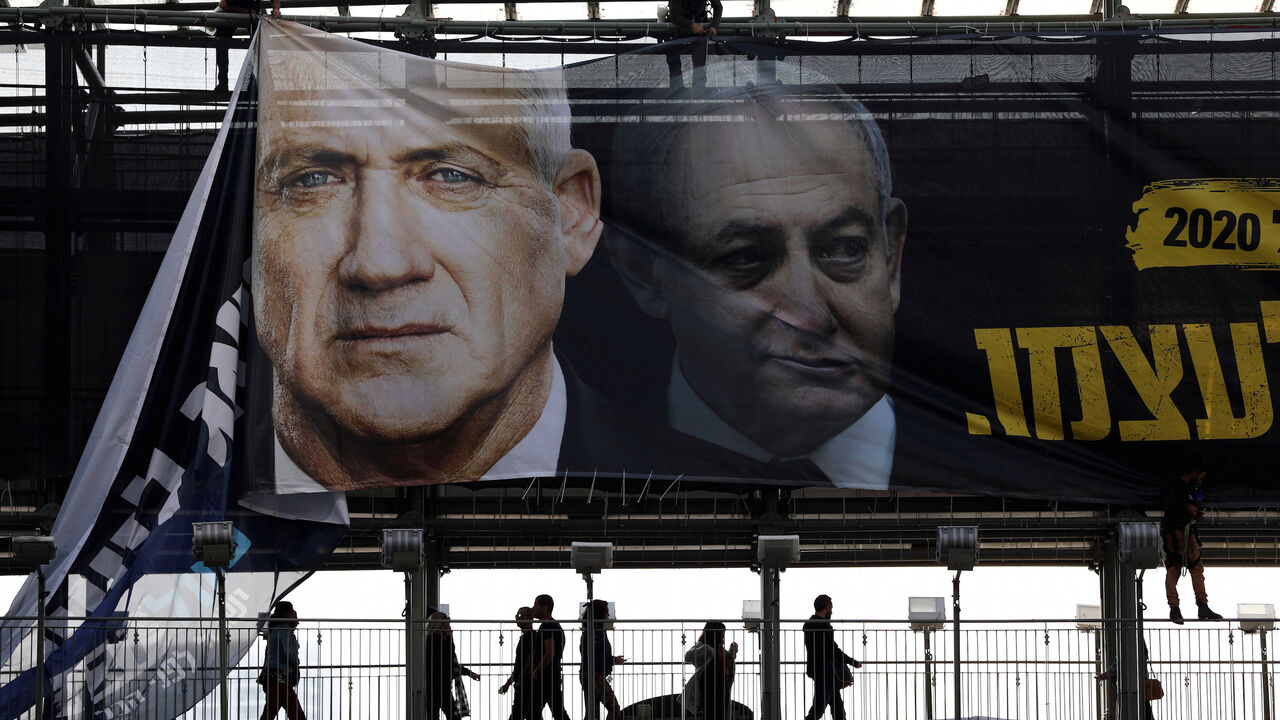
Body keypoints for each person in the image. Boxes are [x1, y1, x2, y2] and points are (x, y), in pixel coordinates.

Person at [608, 82, 907, 491]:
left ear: (891, 257)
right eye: (746, 257)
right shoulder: (577, 454)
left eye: (843, 248)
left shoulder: (1003, 466)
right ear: (642, 270)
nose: (809, 316)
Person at [1161, 469, 1222, 623]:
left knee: (1173, 568)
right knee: (1196, 567)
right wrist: (1197, 509)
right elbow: (1192, 510)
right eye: (1200, 478)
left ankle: (1174, 609)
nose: (1200, 482)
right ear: (1193, 473)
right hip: (1184, 534)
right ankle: (1203, 606)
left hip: (1169, 535)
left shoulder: (1172, 488)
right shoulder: (1185, 488)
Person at [802, 595, 861, 720]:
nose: (832, 611)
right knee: (818, 710)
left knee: (838, 708)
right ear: (827, 607)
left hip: (819, 671)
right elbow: (834, 651)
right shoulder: (823, 627)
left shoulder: (809, 625)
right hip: (826, 672)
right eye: (831, 608)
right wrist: (853, 662)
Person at [213, 0, 280, 92]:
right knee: (222, 43)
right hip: (234, 13)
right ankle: (224, 83)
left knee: (258, 44)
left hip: (250, 13)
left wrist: (276, 9)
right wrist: (244, 11)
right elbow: (224, 5)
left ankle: (256, 83)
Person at [425, 611, 482, 720]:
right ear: (440, 625)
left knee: (435, 715)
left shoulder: (433, 640)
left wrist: (468, 672)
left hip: (436, 685)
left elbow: (449, 661)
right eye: (447, 624)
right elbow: (449, 658)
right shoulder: (436, 640)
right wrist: (450, 638)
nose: (449, 627)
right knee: (453, 715)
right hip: (439, 685)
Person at [259, 601, 306, 720]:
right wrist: (296, 667)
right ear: (287, 614)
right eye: (293, 612)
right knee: (295, 714)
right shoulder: (283, 629)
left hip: (276, 678)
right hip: (279, 678)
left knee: (271, 713)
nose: (295, 616)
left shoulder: (275, 629)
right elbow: (290, 653)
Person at [579, 599, 626, 720]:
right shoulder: (596, 630)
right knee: (613, 707)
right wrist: (613, 660)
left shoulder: (590, 628)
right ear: (601, 613)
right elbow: (597, 654)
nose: (609, 615)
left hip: (589, 673)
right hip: (595, 674)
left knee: (592, 713)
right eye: (607, 611)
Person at [682, 621, 737, 720]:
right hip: (709, 687)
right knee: (712, 713)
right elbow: (688, 656)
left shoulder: (720, 648)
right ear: (714, 633)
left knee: (721, 714)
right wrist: (706, 649)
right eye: (722, 633)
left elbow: (726, 662)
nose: (723, 637)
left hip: (722, 686)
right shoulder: (704, 646)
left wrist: (732, 652)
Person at [663, 0, 723, 88]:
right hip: (677, 29)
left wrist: (714, 25)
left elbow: (718, 7)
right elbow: (674, 15)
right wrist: (692, 25)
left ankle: (698, 91)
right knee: (674, 64)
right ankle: (676, 91)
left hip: (699, 28)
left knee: (699, 66)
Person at [530, 594, 571, 720]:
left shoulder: (548, 626)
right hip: (550, 676)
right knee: (555, 711)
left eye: (536, 604)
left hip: (545, 677)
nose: (533, 608)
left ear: (545, 607)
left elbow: (549, 653)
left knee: (535, 712)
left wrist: (536, 672)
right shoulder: (553, 625)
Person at [499, 606, 540, 720]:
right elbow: (519, 665)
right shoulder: (527, 637)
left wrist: (521, 678)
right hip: (523, 681)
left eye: (521, 615)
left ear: (530, 618)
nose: (517, 617)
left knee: (519, 713)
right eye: (517, 615)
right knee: (528, 713)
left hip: (525, 682)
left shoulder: (530, 636)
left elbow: (529, 659)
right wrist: (508, 684)